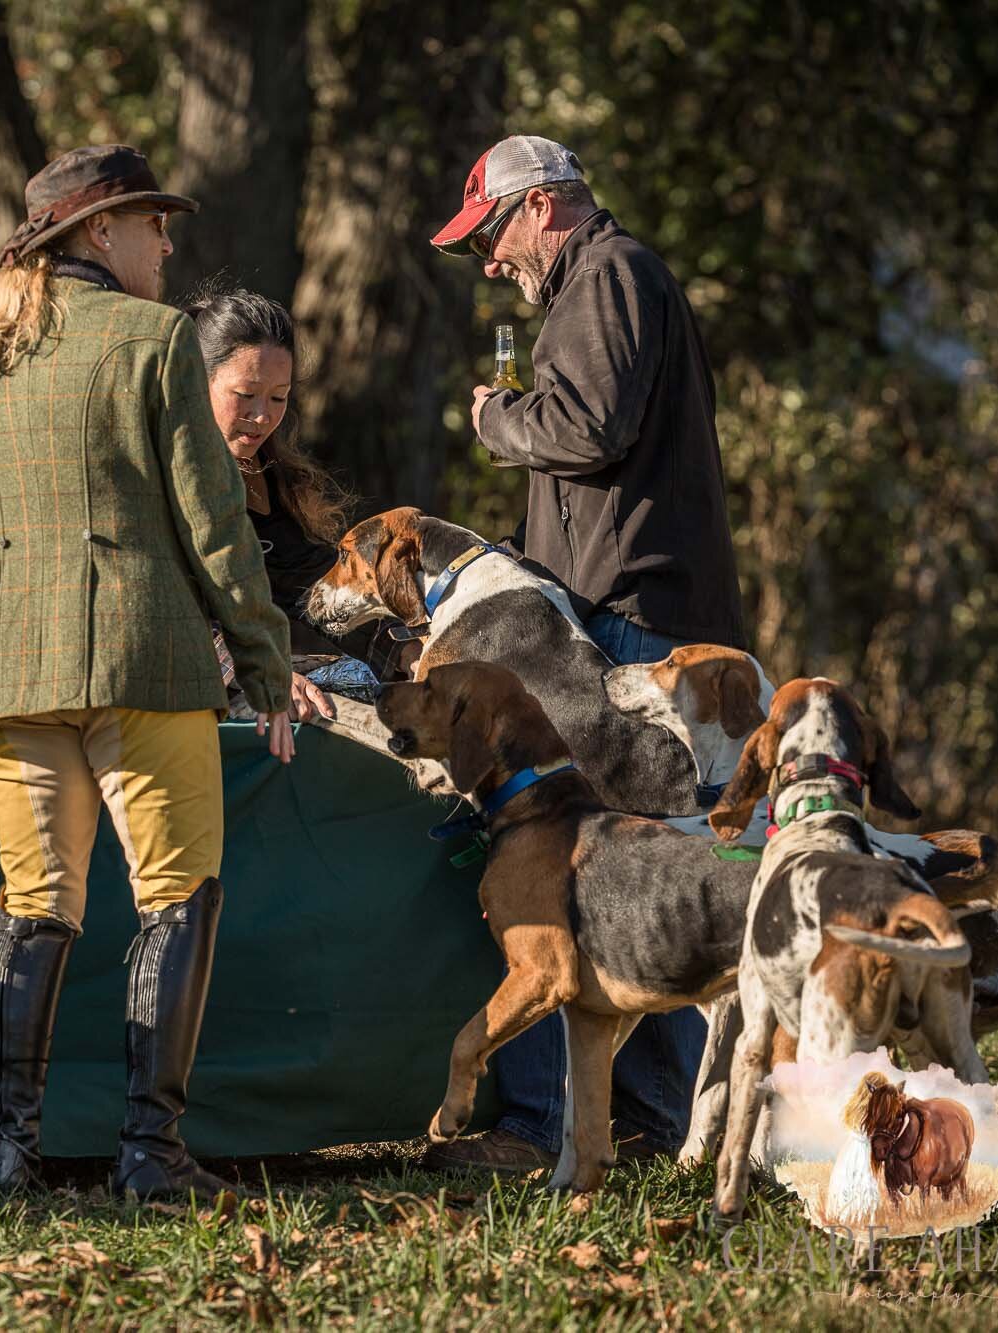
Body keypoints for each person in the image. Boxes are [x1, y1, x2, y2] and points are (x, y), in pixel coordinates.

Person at [0, 145, 293, 1200]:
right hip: (139, 652)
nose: (167, 243)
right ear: (98, 233)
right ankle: (149, 1156)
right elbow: (215, 531)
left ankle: (9, 1158)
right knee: (173, 895)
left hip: (4, 658)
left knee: (35, 903)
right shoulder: (152, 340)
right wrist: (264, 662)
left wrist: (15, 512)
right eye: (154, 224)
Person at [426, 136, 747, 1172]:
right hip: (629, 602)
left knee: (577, 867)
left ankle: (562, 1126)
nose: (487, 261)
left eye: (490, 232)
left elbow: (590, 426)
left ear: (544, 207)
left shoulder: (606, 275)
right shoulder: (609, 278)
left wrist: (497, 421)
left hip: (629, 613)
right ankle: (646, 1120)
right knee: (626, 880)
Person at [180, 285, 416, 719]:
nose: (263, 416)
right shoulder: (165, 477)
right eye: (245, 395)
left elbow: (316, 591)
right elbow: (170, 614)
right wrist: (262, 672)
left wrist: (404, 651)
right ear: (197, 381)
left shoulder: (271, 477)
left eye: (278, 397)